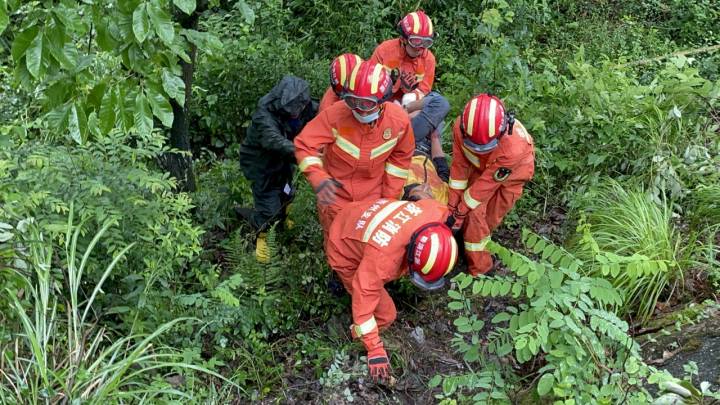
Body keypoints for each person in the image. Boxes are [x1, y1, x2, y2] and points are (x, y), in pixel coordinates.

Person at [326, 198, 458, 382]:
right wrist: (375, 349)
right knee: (386, 315)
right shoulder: (382, 258)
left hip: (358, 212)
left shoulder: (434, 212)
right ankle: (352, 335)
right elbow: (365, 295)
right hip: (343, 247)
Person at [294, 61, 414, 241]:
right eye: (352, 101)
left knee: (366, 242)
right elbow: (305, 144)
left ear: (383, 100)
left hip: (373, 198)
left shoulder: (398, 122)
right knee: (336, 242)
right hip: (336, 196)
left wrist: (388, 200)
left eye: (367, 104)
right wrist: (318, 178)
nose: (360, 111)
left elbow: (400, 161)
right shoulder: (335, 115)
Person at [446, 94, 535, 275]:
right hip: (481, 167)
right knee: (475, 217)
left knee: (487, 219)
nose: (478, 149)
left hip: (512, 176)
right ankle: (480, 265)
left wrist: (461, 210)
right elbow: (459, 168)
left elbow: (486, 185)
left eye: (484, 146)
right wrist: (452, 206)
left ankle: (481, 271)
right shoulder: (460, 128)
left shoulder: (514, 148)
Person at [237, 75, 318, 262]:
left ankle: (283, 228)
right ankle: (263, 250)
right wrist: (308, 154)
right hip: (261, 165)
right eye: (292, 111)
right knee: (269, 210)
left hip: (283, 163)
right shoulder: (263, 115)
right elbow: (274, 141)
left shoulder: (305, 106)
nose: (295, 114)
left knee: (287, 193)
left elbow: (324, 113)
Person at [369, 10, 449, 155]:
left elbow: (424, 91)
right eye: (416, 41)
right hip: (382, 108)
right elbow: (370, 87)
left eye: (426, 42)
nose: (421, 48)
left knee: (437, 104)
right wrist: (396, 86)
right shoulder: (384, 51)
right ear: (404, 38)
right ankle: (405, 140)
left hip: (410, 110)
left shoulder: (428, 59)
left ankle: (411, 139)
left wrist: (408, 93)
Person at [402, 128, 449, 203]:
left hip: (408, 145)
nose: (426, 186)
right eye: (429, 193)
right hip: (432, 149)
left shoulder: (397, 187)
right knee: (436, 121)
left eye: (418, 189)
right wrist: (435, 139)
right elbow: (442, 168)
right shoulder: (442, 199)